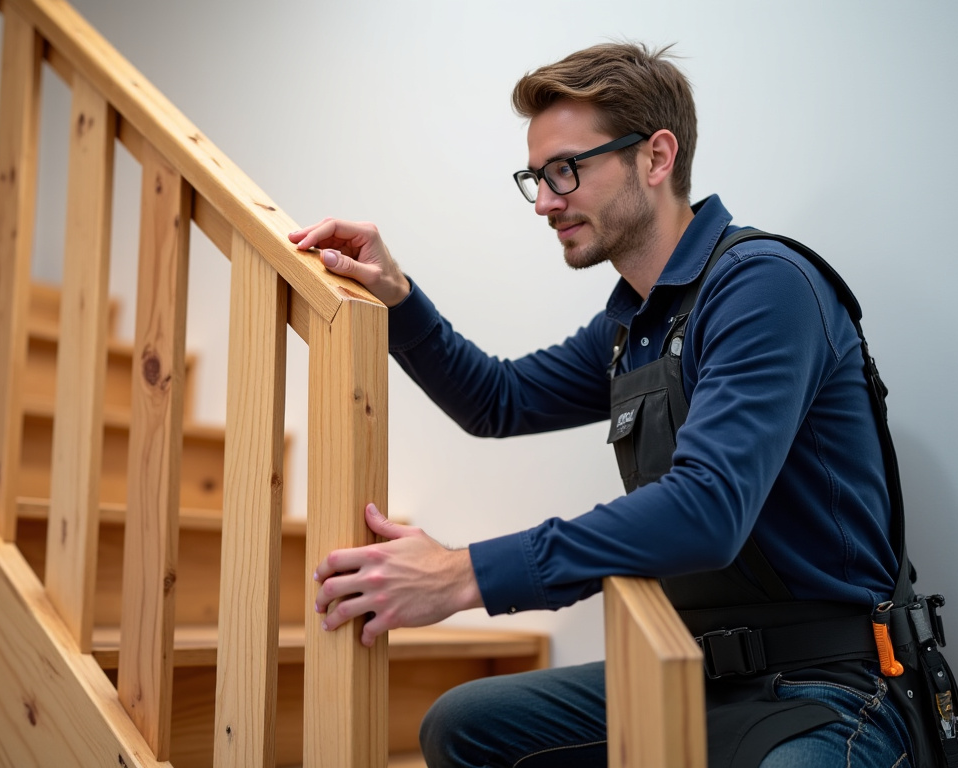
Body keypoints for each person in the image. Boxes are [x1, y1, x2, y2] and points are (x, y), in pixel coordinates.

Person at [288, 43, 917, 768]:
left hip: (830, 688)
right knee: (463, 727)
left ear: (656, 157)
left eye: (566, 169)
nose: (545, 202)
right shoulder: (633, 327)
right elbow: (498, 400)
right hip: (694, 672)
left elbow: (707, 510)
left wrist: (463, 574)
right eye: (537, 177)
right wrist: (397, 296)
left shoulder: (763, 286)